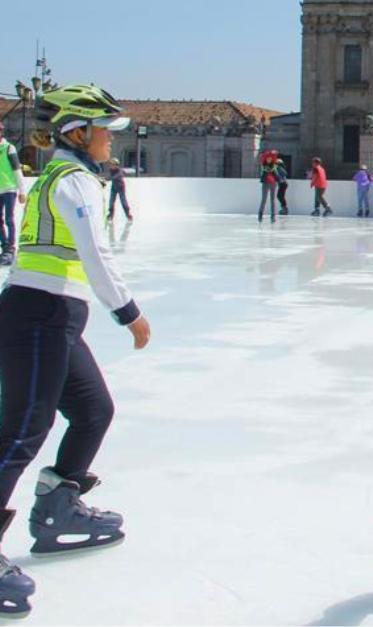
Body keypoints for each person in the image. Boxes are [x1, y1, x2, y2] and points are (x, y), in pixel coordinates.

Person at [0, 84, 152, 618]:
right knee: (21, 433)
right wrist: (129, 313)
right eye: (105, 131)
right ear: (78, 134)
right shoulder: (77, 181)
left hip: (54, 316)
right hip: (38, 316)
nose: (111, 141)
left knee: (93, 411)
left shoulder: (70, 175)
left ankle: (57, 508)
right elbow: (96, 253)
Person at [0, 121, 28, 266]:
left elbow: (17, 171)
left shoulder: (9, 148)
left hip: (9, 189)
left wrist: (22, 191)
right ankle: (4, 245)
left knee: (9, 219)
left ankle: (10, 248)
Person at [104, 158, 133, 225]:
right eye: (110, 164)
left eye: (113, 164)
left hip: (121, 187)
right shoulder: (111, 170)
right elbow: (111, 176)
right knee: (111, 201)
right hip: (114, 187)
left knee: (123, 201)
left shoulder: (120, 171)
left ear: (116, 165)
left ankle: (128, 215)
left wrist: (106, 179)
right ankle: (110, 216)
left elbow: (114, 177)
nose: (111, 166)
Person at [258, 152, 279, 223]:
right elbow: (263, 174)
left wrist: (278, 178)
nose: (269, 160)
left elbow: (277, 175)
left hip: (273, 184)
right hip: (265, 184)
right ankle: (260, 214)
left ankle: (273, 216)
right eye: (267, 159)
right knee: (264, 200)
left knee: (273, 201)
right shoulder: (263, 166)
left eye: (270, 158)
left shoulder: (274, 166)